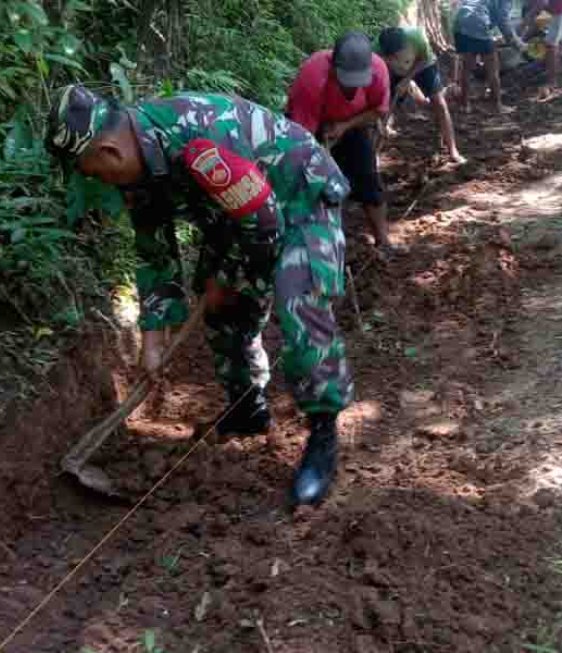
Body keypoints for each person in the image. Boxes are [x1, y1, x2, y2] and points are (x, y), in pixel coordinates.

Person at [45, 85, 354, 506]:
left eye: (92, 171)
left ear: (109, 152)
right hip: (234, 213)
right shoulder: (136, 171)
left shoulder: (200, 144)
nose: (97, 180)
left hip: (298, 198)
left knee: (298, 298)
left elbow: (265, 227)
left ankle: (322, 433)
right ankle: (246, 407)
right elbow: (154, 251)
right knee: (223, 312)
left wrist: (226, 275)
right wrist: (153, 339)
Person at [286, 31, 395, 250]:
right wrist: (321, 153)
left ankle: (383, 240)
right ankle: (315, 245)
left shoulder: (378, 70)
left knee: (367, 179)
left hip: (352, 125)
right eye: (346, 80)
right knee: (312, 185)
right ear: (334, 66)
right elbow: (302, 132)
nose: (352, 88)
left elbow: (378, 111)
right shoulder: (314, 74)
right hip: (310, 129)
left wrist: (344, 126)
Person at [377, 26, 467, 164]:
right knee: (385, 108)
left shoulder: (416, 37)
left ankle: (453, 150)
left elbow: (425, 59)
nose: (395, 56)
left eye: (397, 52)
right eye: (391, 55)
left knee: (440, 104)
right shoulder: (375, 50)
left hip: (422, 65)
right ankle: (376, 151)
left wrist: (407, 79)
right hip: (395, 71)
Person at [453, 0, 525, 113]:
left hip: (460, 23)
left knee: (467, 68)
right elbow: (502, 21)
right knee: (493, 69)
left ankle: (465, 105)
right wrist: (516, 42)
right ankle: (497, 106)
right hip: (478, 22)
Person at [522, 0, 562, 99]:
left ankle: (552, 82)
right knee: (556, 41)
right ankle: (554, 71)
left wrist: (529, 17)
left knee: (550, 44)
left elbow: (541, 3)